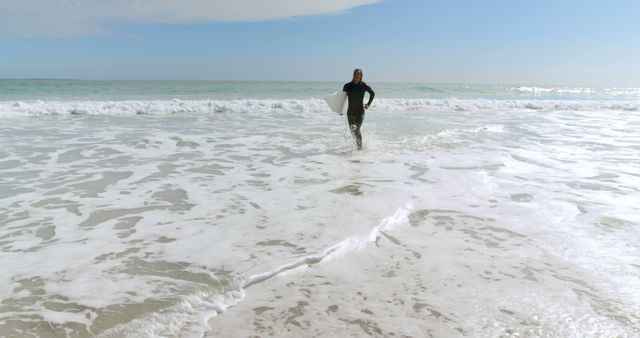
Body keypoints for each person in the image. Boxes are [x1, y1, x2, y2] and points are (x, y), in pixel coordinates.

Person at [343, 68, 375, 150]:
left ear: (361, 76)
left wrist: (368, 104)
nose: (357, 76)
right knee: (353, 131)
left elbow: (372, 93)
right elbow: (342, 99)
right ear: (353, 75)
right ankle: (358, 146)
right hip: (350, 112)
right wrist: (340, 109)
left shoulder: (364, 86)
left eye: (359, 74)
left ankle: (359, 149)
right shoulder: (347, 86)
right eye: (355, 74)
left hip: (360, 112)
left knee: (357, 129)